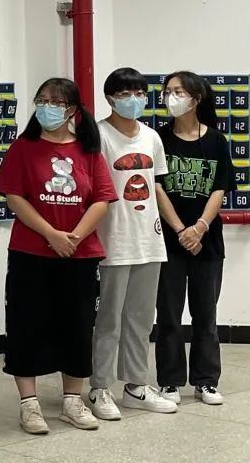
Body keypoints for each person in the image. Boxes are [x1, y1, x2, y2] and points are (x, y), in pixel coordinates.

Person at [0, 77, 117, 435]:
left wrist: (74, 238)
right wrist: (51, 234)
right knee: (26, 324)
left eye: (56, 102)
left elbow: (102, 200)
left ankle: (72, 401)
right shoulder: (23, 148)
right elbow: (14, 197)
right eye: (42, 100)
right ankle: (29, 404)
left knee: (77, 326)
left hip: (79, 255)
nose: (47, 107)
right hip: (31, 252)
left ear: (72, 110)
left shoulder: (88, 150)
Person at [87, 68, 178, 421]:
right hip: (112, 239)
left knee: (141, 319)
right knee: (108, 319)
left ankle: (136, 386)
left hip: (149, 239)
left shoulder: (152, 137)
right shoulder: (98, 134)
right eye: (125, 94)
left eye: (140, 93)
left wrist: (176, 227)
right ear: (110, 98)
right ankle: (99, 387)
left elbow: (156, 186)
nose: (134, 100)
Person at [155, 71, 235, 406]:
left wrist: (200, 227)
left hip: (208, 243)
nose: (171, 97)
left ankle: (206, 381)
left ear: (196, 98)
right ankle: (170, 381)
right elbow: (156, 187)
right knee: (169, 315)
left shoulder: (216, 140)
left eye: (178, 91)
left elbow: (219, 188)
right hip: (169, 242)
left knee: (206, 316)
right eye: (167, 91)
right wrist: (180, 230)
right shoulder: (158, 138)